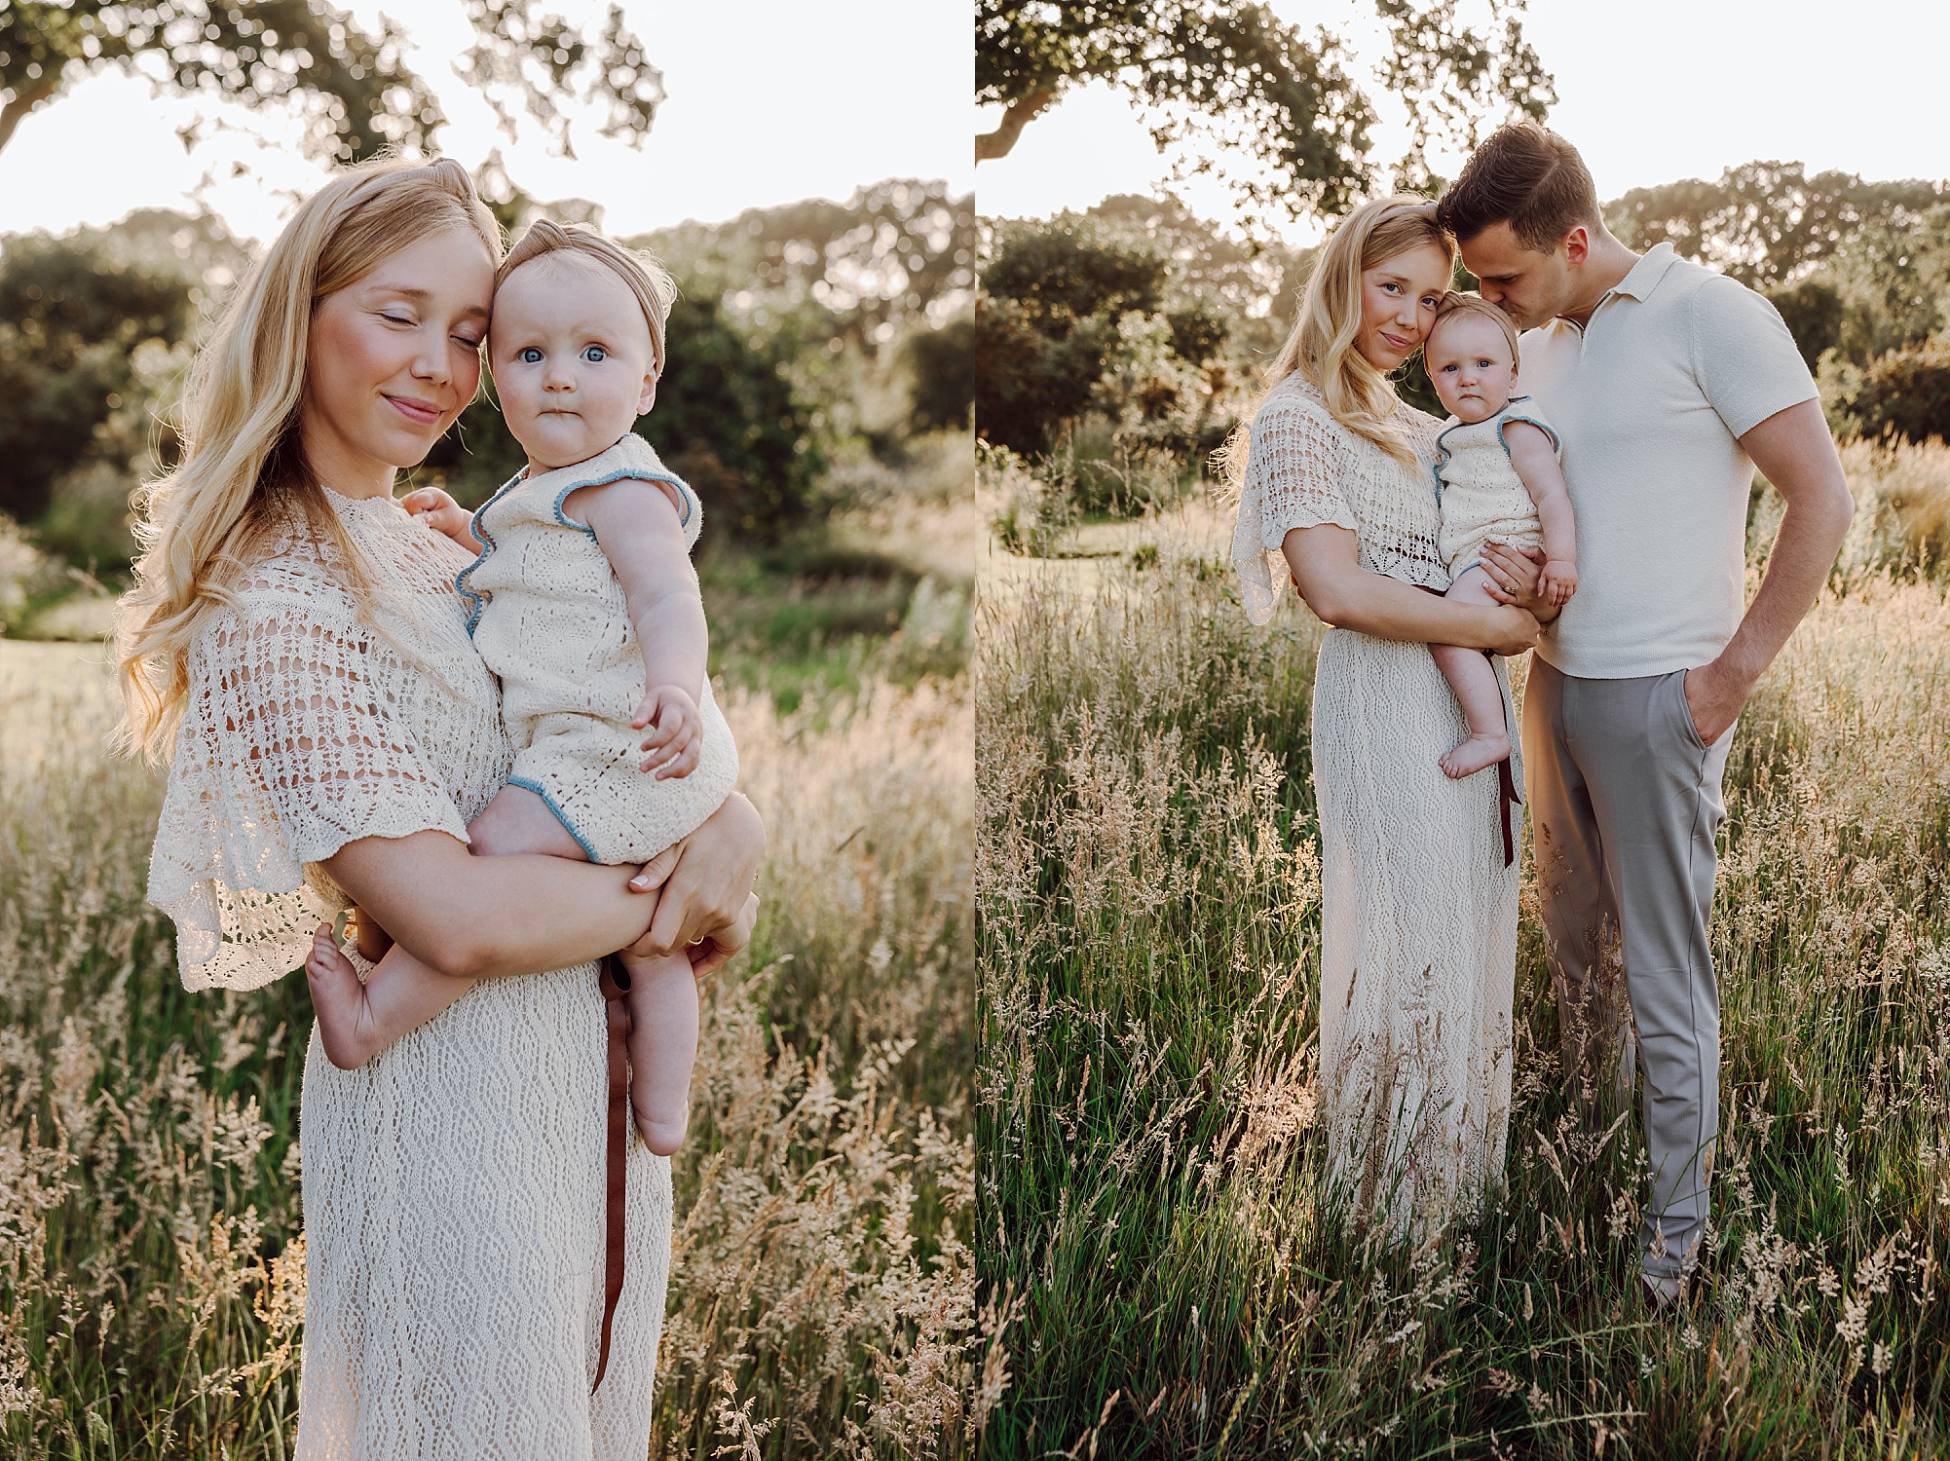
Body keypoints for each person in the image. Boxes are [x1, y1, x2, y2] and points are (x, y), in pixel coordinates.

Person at [114, 156, 765, 1457]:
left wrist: (733, 818)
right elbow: (453, 918)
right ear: (299, 313)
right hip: (444, 1113)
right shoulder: (271, 593)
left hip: (570, 1081)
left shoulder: (435, 537)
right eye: (396, 312)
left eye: (472, 333)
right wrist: (676, 886)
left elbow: (587, 719)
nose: (441, 364)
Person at [1436, 121, 1854, 1306]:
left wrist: (1728, 679)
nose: (1490, 303)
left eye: (1505, 276)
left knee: (1666, 974)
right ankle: (1594, 1158)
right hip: (1551, 682)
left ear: (1575, 238)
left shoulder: (1710, 313)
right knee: (1576, 947)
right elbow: (1553, 499)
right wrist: (1514, 579)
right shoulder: (1543, 344)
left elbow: (1824, 499)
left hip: (1661, 694)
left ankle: (1674, 1242)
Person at [303, 219, 736, 1165]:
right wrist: (469, 535)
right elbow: (529, 577)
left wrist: (674, 689)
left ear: (648, 381)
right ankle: (662, 1118)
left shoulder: (624, 487)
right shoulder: (538, 493)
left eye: (594, 352)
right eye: (529, 353)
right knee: (656, 952)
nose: (561, 376)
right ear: (496, 380)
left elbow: (668, 593)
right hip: (608, 750)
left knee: (491, 846)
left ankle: (377, 1015)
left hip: (613, 746)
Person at [1226, 195, 1547, 1242]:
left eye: (1427, 293)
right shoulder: (1296, 417)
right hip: (1382, 702)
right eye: (1390, 287)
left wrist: (1524, 587)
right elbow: (1340, 591)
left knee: (1468, 921)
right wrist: (1479, 619)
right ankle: (1388, 1225)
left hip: (1468, 700)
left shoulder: (1434, 428)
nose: (1411, 318)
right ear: (1344, 281)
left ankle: (1461, 1197)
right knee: (1407, 937)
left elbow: (1508, 577)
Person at [1422, 291, 1576, 779]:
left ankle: (1490, 735)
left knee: (1448, 636)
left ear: (1512, 373)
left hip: (1500, 554)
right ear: (1433, 380)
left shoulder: (1516, 426)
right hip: (1475, 558)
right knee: (1460, 639)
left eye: (1484, 363)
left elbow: (1553, 495)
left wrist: (1561, 561)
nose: (1467, 377)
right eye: (1450, 368)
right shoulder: (1453, 432)